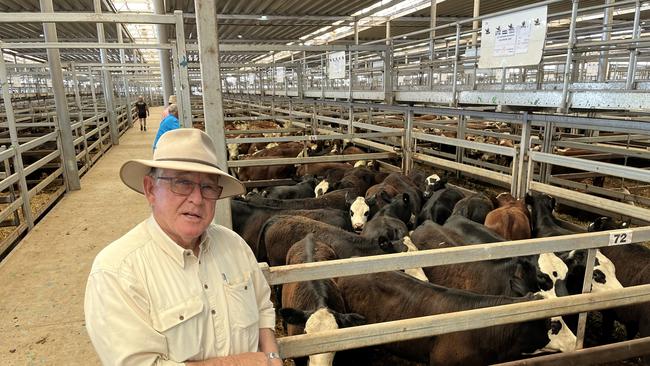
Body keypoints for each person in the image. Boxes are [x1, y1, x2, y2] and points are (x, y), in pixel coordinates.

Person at [84, 128, 282, 366]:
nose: (197, 199)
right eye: (182, 183)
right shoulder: (116, 272)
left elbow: (262, 306)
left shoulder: (235, 246)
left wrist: (272, 357)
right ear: (150, 190)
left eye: (208, 187)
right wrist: (241, 363)